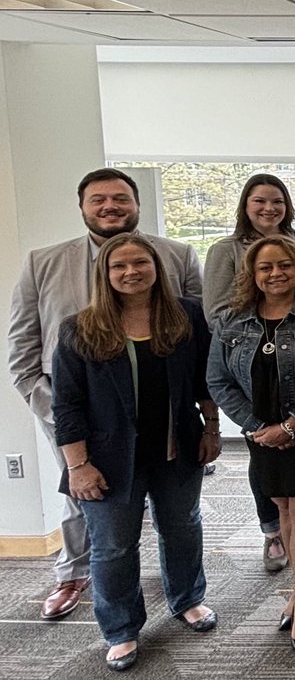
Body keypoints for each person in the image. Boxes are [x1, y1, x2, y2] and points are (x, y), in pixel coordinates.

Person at [8, 168, 203, 622]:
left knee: (178, 520)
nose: (110, 206)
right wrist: (67, 427)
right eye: (99, 200)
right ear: (82, 207)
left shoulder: (176, 255)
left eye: (120, 198)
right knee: (96, 512)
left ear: (137, 205)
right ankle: (76, 579)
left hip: (167, 423)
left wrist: (206, 419)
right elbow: (23, 352)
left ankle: (184, 596)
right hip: (74, 417)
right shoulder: (44, 262)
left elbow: (200, 340)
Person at [51, 234, 218, 672]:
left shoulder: (185, 315)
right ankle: (121, 629)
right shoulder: (79, 329)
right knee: (113, 547)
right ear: (104, 274)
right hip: (106, 461)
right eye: (119, 266)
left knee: (182, 527)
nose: (130, 272)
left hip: (178, 448)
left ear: (155, 266)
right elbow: (65, 406)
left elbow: (206, 379)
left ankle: (188, 599)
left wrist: (213, 428)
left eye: (139, 262)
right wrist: (78, 466)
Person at [207, 235, 295, 655]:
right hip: (260, 432)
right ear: (252, 274)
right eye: (266, 267)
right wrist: (255, 426)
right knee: (283, 506)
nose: (275, 273)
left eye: (284, 265)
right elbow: (218, 380)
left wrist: (291, 424)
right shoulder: (231, 320)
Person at [202, 173, 295, 573]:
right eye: (259, 201)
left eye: (277, 201)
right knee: (275, 487)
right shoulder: (225, 249)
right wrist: (251, 342)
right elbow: (217, 315)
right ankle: (272, 534)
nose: (269, 209)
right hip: (254, 372)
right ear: (245, 205)